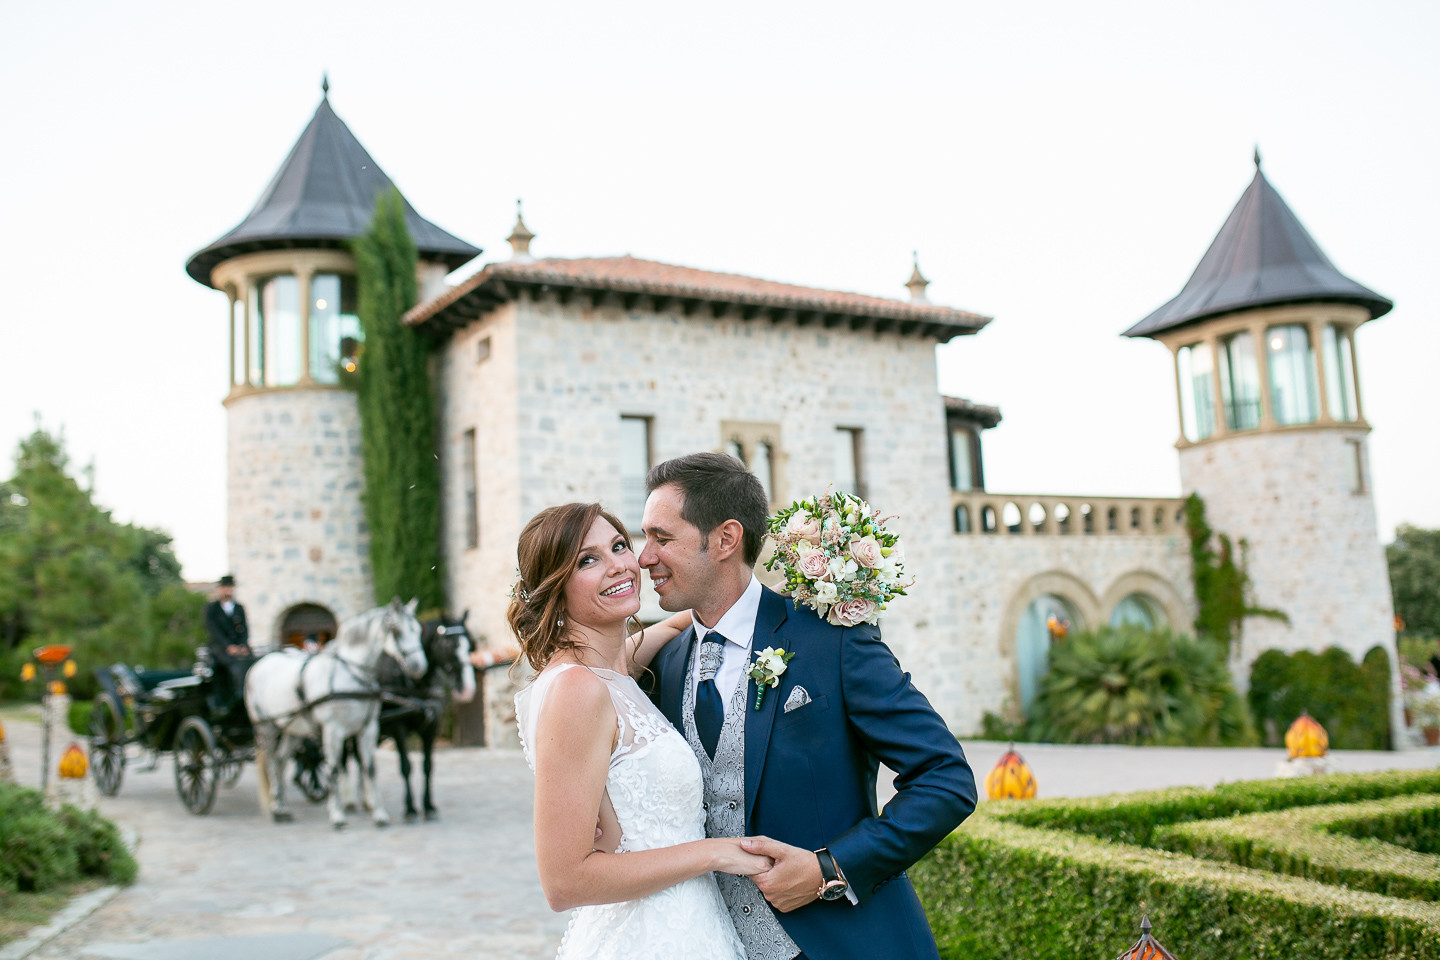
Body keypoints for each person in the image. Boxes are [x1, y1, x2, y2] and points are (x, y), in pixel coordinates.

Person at [638, 452, 977, 960]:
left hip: (847, 943)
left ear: (726, 539)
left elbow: (945, 777)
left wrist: (829, 869)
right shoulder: (666, 665)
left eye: (662, 538)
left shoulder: (832, 640)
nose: (644, 557)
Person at [510, 502, 775, 959]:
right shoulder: (577, 689)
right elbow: (564, 882)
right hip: (646, 938)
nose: (619, 566)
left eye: (618, 546)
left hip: (691, 925)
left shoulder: (611, 670)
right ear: (555, 587)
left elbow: (673, 627)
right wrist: (714, 853)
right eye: (587, 560)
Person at [204, 574, 253, 715]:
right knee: (231, 665)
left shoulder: (239, 608)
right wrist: (228, 646)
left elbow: (244, 629)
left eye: (230, 588)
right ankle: (232, 700)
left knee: (250, 661)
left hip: (239, 647)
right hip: (219, 648)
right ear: (220, 589)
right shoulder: (212, 608)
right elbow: (213, 631)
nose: (228, 591)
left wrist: (243, 645)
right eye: (225, 588)